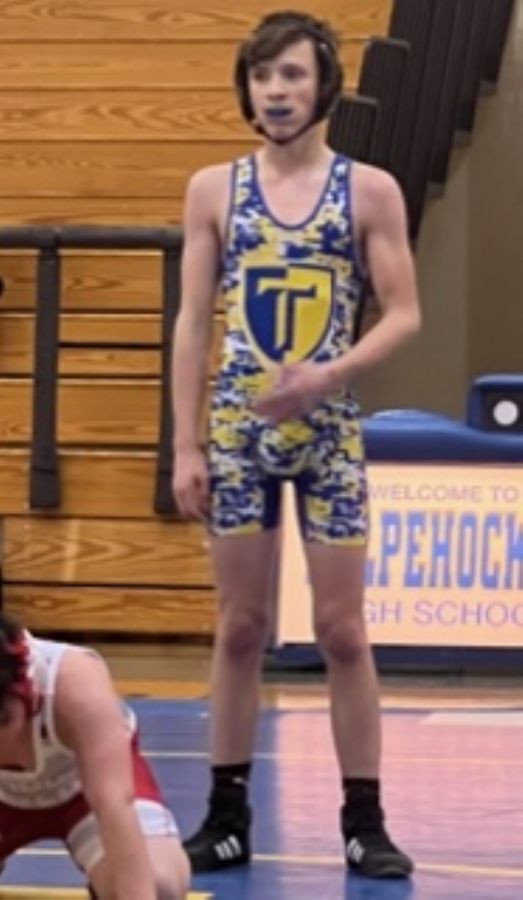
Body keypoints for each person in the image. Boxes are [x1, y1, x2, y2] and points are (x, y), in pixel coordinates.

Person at [172, 10, 421, 879]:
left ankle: (364, 820)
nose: (275, 91)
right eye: (262, 76)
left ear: (323, 88)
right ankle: (225, 814)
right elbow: (191, 322)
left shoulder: (369, 191)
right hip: (237, 434)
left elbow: (404, 314)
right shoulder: (213, 189)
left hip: (328, 435)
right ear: (246, 89)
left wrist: (328, 375)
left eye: (291, 75)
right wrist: (184, 445)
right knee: (239, 625)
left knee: (342, 630)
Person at [0, 612, 190, 900]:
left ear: (24, 690)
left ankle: (105, 883)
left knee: (159, 884)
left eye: (2, 722)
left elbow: (114, 803)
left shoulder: (74, 682)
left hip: (85, 795)